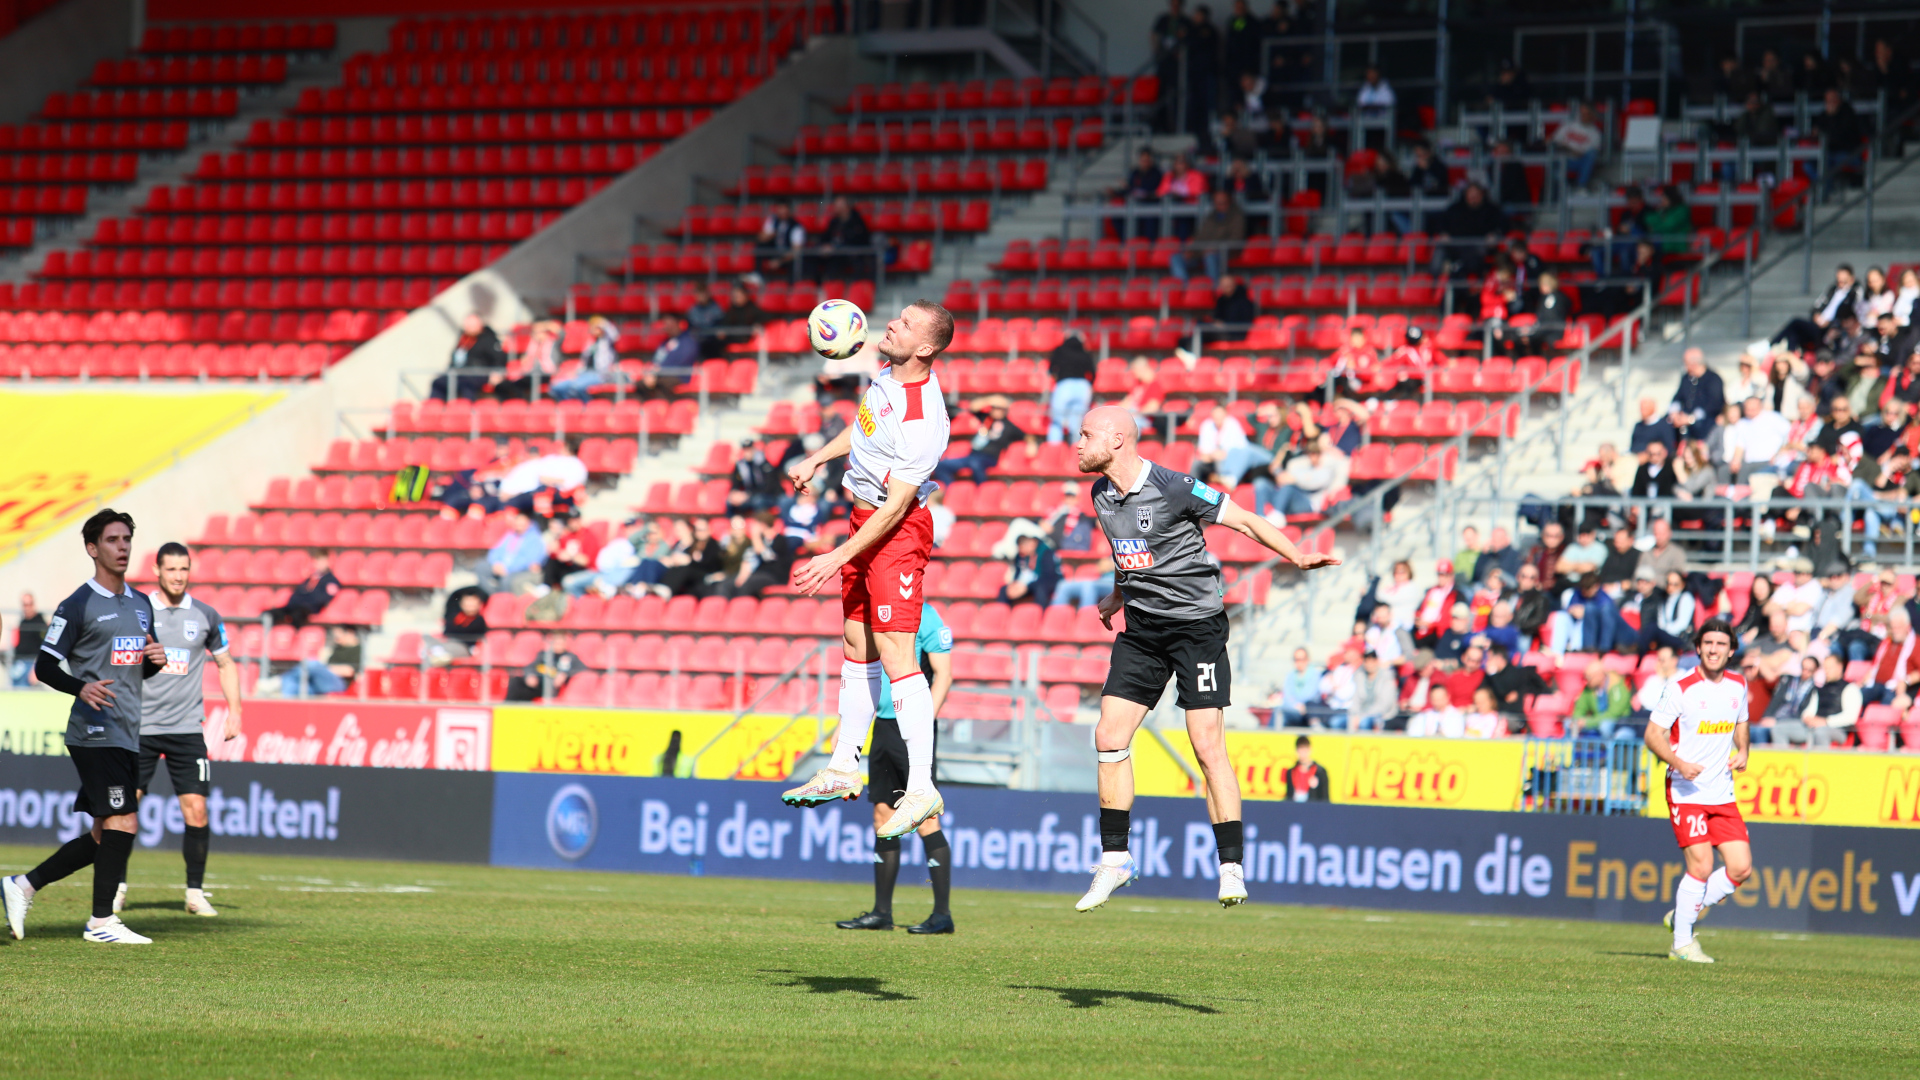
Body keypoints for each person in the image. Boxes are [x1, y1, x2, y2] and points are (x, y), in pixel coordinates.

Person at [1070, 404, 1339, 913]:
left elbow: (1245, 521)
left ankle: (1230, 864)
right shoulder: (1101, 494)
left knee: (1205, 743)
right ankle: (1115, 860)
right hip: (1144, 629)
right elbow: (1133, 555)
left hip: (1197, 629)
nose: (1077, 444)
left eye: (1086, 435)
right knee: (1108, 735)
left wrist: (1297, 555)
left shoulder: (1174, 487)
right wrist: (1117, 595)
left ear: (1118, 439)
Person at [780, 302, 956, 841]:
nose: (890, 326)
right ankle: (840, 767)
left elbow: (898, 508)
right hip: (863, 517)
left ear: (924, 348)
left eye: (904, 324)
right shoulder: (884, 377)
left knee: (899, 651)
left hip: (895, 533)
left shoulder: (924, 415)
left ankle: (923, 788)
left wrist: (836, 555)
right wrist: (817, 458)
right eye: (897, 318)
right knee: (856, 643)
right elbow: (863, 431)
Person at [3, 509, 167, 945]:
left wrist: (155, 663)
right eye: (113, 540)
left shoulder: (142, 603)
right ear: (93, 549)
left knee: (104, 833)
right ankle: (100, 922)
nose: (123, 547)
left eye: (127, 539)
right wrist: (82, 689)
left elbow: (136, 674)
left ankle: (22, 885)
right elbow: (43, 665)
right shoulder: (77, 604)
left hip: (128, 730)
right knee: (125, 821)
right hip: (95, 731)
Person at [113, 542, 241, 918]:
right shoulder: (136, 610)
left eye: (184, 569)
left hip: (187, 728)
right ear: (157, 570)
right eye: (171, 569)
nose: (179, 576)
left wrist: (235, 711)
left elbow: (227, 663)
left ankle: (194, 893)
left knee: (196, 810)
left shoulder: (205, 614)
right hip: (140, 727)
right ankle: (117, 888)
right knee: (126, 812)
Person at [834, 603, 956, 935]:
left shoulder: (926, 615)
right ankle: (881, 913)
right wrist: (846, 724)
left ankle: (942, 915)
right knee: (882, 816)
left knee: (925, 817)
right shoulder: (874, 615)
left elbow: (943, 674)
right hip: (883, 727)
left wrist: (922, 725)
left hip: (913, 728)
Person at [1646, 619, 1753, 964]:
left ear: (1731, 650)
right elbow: (1652, 735)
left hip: (1721, 791)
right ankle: (1682, 943)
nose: (1714, 649)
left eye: (1721, 644)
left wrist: (1744, 751)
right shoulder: (1681, 687)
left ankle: (1682, 914)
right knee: (1702, 864)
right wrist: (1679, 761)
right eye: (1708, 642)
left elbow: (1741, 722)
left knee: (1740, 868)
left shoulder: (1738, 685)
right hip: (1686, 789)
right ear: (1698, 647)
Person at [933, 397, 1022, 484]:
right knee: (941, 465)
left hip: (989, 458)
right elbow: (972, 407)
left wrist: (1031, 443)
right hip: (973, 455)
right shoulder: (986, 418)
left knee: (975, 464)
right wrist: (990, 400)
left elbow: (1026, 436)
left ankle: (981, 490)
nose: (996, 410)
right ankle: (952, 491)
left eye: (999, 408)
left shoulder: (1009, 426)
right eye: (994, 408)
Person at [429, 313, 508, 401]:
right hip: (458, 372)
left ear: (480, 325)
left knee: (467, 385)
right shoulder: (463, 338)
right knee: (438, 382)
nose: (469, 328)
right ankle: (434, 411)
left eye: (472, 325)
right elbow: (455, 356)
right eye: (468, 325)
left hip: (477, 373)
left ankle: (466, 411)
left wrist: (496, 373)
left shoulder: (489, 339)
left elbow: (499, 358)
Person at [261, 549, 340, 628]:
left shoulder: (331, 580)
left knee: (296, 616)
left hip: (309, 609)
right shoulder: (310, 578)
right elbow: (298, 592)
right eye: (318, 560)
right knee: (268, 614)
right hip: (295, 606)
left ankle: (293, 635)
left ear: (328, 562)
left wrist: (307, 599)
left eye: (323, 561)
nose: (320, 564)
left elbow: (322, 598)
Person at [476, 510, 545, 595]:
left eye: (522, 524)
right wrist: (496, 563)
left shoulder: (535, 539)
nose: (519, 526)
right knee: (481, 567)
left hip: (518, 570)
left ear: (529, 524)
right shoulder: (510, 535)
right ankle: (490, 595)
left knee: (507, 580)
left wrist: (508, 568)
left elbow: (529, 561)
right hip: (500, 566)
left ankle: (503, 600)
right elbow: (496, 550)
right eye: (517, 523)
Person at [280, 625, 362, 696]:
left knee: (312, 663)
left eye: (338, 637)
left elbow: (349, 671)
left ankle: (277, 681)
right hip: (324, 681)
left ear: (350, 633)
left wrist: (325, 668)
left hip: (341, 684)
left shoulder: (359, 650)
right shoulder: (337, 649)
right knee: (294, 684)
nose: (336, 640)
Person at [1046, 330, 1096, 444]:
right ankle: (1077, 453)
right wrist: (1090, 385)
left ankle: (1053, 450)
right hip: (1083, 387)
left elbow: (1051, 369)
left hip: (1065, 385)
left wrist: (1057, 378)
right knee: (1077, 424)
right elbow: (1093, 373)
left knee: (1057, 421)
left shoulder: (1060, 350)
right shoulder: (1085, 352)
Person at [997, 532, 1059, 606]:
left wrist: (1026, 586)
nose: (1022, 551)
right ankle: (1002, 614)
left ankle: (1040, 613)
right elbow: (1018, 571)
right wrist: (1015, 584)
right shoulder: (1020, 556)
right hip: (1024, 583)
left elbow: (1048, 574)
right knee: (1004, 590)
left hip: (1044, 581)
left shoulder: (1045, 552)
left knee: (1040, 588)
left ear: (1032, 543)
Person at [10, 591, 46, 686]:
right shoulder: (23, 622)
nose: (27, 608)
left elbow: (44, 648)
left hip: (31, 665)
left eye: (29, 604)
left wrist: (35, 669)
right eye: (24, 605)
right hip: (19, 664)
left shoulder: (39, 623)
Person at [1286, 735, 1330, 801]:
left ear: (1310, 749)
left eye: (1305, 749)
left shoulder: (1320, 772)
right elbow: (1289, 796)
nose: (1302, 752)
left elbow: (1325, 797)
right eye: (1300, 749)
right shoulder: (1291, 772)